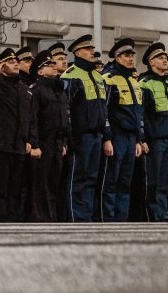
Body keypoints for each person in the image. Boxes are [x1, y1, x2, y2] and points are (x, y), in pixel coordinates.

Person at [60, 35, 108, 222]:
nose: (92, 52)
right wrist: (70, 136)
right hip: (80, 137)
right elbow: (66, 108)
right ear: (78, 53)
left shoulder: (97, 76)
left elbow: (104, 109)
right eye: (88, 50)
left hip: (96, 136)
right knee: (77, 179)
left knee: (91, 179)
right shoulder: (70, 75)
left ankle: (86, 217)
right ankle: (75, 219)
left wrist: (106, 134)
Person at [100, 38, 145, 222]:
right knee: (111, 181)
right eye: (126, 55)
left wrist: (139, 139)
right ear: (117, 58)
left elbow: (138, 113)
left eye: (132, 55)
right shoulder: (109, 78)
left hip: (130, 137)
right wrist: (107, 137)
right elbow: (104, 111)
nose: (130, 58)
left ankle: (121, 220)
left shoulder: (133, 80)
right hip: (116, 135)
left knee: (125, 182)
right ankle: (109, 221)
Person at [0, 48, 37, 222]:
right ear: (2, 65)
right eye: (10, 62)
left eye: (16, 61)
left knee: (16, 188)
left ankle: (12, 221)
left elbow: (30, 118)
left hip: (19, 146)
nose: (15, 64)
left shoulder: (24, 89)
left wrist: (29, 139)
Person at [138, 42, 168, 222]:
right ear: (150, 62)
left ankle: (161, 217)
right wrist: (143, 138)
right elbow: (141, 113)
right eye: (160, 58)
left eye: (165, 57)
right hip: (152, 141)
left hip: (166, 140)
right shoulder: (145, 83)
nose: (165, 60)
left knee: (164, 183)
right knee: (152, 183)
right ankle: (151, 220)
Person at [27, 50, 69, 222]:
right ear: (39, 71)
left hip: (58, 143)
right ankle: (40, 219)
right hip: (43, 142)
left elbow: (65, 117)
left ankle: (52, 217)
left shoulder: (58, 90)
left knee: (54, 182)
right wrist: (35, 144)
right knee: (41, 183)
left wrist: (64, 142)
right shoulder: (37, 90)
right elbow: (33, 119)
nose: (53, 67)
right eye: (48, 65)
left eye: (53, 64)